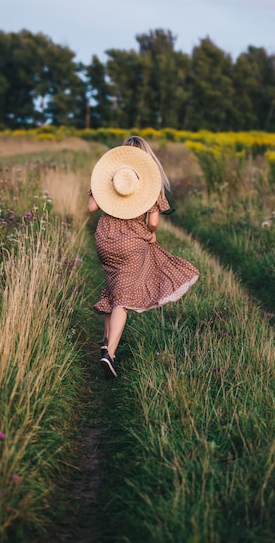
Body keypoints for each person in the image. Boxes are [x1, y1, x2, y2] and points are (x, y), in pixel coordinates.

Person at [87, 135, 199, 378]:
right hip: (131, 245)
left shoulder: (111, 178)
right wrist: (150, 234)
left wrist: (99, 186)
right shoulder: (149, 183)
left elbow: (91, 208)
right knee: (123, 299)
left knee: (113, 287)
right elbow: (154, 223)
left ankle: (106, 341)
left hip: (104, 239)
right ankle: (110, 355)